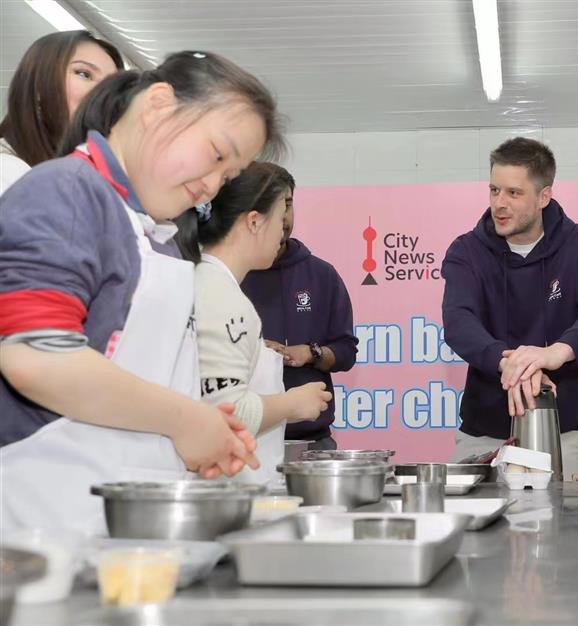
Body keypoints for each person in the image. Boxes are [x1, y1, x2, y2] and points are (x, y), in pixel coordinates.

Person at [0, 50, 283, 533]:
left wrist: (200, 434)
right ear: (157, 105)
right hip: (46, 524)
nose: (213, 186)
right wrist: (186, 422)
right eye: (216, 154)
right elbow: (36, 356)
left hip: (120, 528)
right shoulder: (67, 191)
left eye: (229, 176)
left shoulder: (159, 240)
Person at [441, 137, 578, 480]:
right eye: (494, 190)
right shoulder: (466, 251)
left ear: (543, 197)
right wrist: (512, 363)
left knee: (563, 529)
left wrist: (553, 354)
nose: (499, 204)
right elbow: (459, 322)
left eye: (513, 193)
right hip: (483, 431)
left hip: (562, 430)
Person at [175, 162, 333, 481]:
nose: (283, 229)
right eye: (279, 215)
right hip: (225, 489)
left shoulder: (210, 284)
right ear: (254, 221)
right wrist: (293, 403)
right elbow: (225, 411)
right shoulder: (220, 294)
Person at [241, 171, 358, 450]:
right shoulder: (229, 275)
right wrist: (256, 352)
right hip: (242, 441)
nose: (282, 217)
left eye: (288, 205)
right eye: (274, 206)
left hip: (312, 442)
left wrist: (310, 353)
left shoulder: (321, 274)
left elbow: (346, 351)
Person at [0, 30, 123, 193]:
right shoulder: (8, 172)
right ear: (38, 84)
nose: (102, 93)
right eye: (84, 74)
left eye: (111, 86)